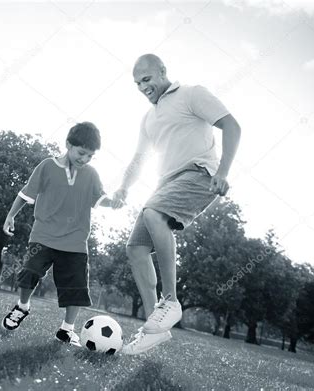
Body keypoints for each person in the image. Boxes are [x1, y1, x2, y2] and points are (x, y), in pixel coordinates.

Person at [114, 54, 241, 355]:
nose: (143, 86)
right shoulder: (148, 118)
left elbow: (233, 126)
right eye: (137, 83)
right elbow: (138, 159)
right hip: (166, 183)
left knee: (154, 213)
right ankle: (153, 328)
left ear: (162, 71)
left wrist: (223, 172)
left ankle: (170, 300)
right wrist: (122, 187)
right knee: (135, 248)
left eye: (147, 79)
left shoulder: (191, 94)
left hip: (199, 173)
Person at [1, 122, 118, 346]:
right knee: (29, 272)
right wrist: (10, 215)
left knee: (76, 287)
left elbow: (100, 198)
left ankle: (66, 330)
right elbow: (26, 194)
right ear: (68, 145)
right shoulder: (46, 166)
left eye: (90, 156)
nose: (84, 159)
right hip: (43, 235)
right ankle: (22, 307)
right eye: (81, 153)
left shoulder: (91, 174)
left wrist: (114, 203)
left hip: (75, 241)